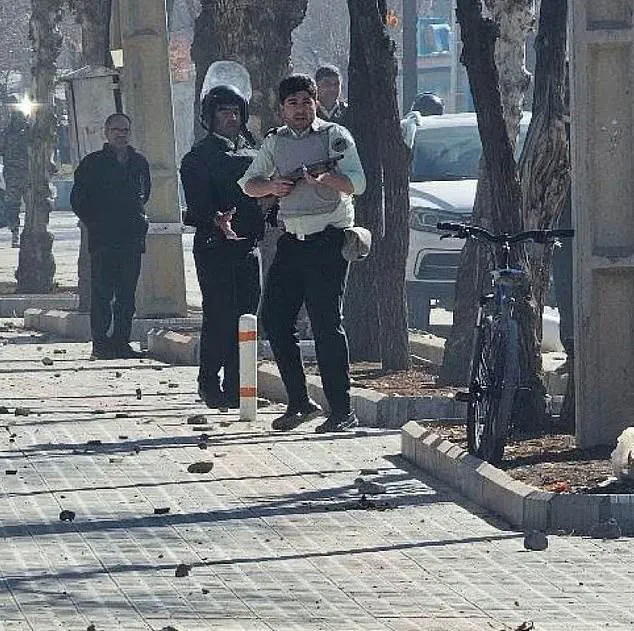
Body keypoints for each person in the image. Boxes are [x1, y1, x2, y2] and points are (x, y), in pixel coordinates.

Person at [239, 74, 366, 433]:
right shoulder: (274, 142)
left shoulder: (334, 136)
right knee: (275, 320)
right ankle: (299, 402)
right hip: (292, 241)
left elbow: (357, 183)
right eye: (292, 103)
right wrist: (272, 186)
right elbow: (249, 184)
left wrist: (325, 179)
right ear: (282, 108)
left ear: (316, 103)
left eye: (306, 102)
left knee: (326, 325)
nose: (300, 109)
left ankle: (342, 411)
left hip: (329, 241)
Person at [180, 85, 265, 409]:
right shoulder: (198, 158)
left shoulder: (254, 154)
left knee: (247, 316)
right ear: (209, 117)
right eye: (223, 112)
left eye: (235, 111)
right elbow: (197, 205)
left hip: (247, 246)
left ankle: (237, 386)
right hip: (214, 247)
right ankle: (208, 382)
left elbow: (264, 197)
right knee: (219, 315)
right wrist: (216, 219)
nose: (231, 118)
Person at [70, 113, 150, 360]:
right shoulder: (92, 164)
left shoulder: (138, 163)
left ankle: (121, 342)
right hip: (103, 240)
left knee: (127, 296)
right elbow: (78, 200)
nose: (121, 134)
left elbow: (144, 194)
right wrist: (97, 222)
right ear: (106, 133)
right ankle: (101, 344)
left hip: (131, 239)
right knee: (103, 294)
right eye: (116, 130)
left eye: (125, 130)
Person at [0, 97, 30, 248]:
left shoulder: (28, 132)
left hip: (25, 174)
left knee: (29, 205)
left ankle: (22, 233)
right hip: (15, 174)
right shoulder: (7, 134)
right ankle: (16, 233)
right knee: (14, 205)